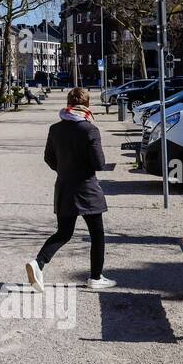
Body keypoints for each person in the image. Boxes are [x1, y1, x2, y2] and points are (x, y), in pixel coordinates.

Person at [26, 87, 115, 291]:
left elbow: (49, 158)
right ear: (87, 105)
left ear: (68, 104)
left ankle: (38, 263)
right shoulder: (89, 129)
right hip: (86, 188)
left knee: (64, 232)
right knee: (97, 234)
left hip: (64, 186)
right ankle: (96, 277)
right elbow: (99, 163)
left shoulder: (55, 128)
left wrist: (65, 169)